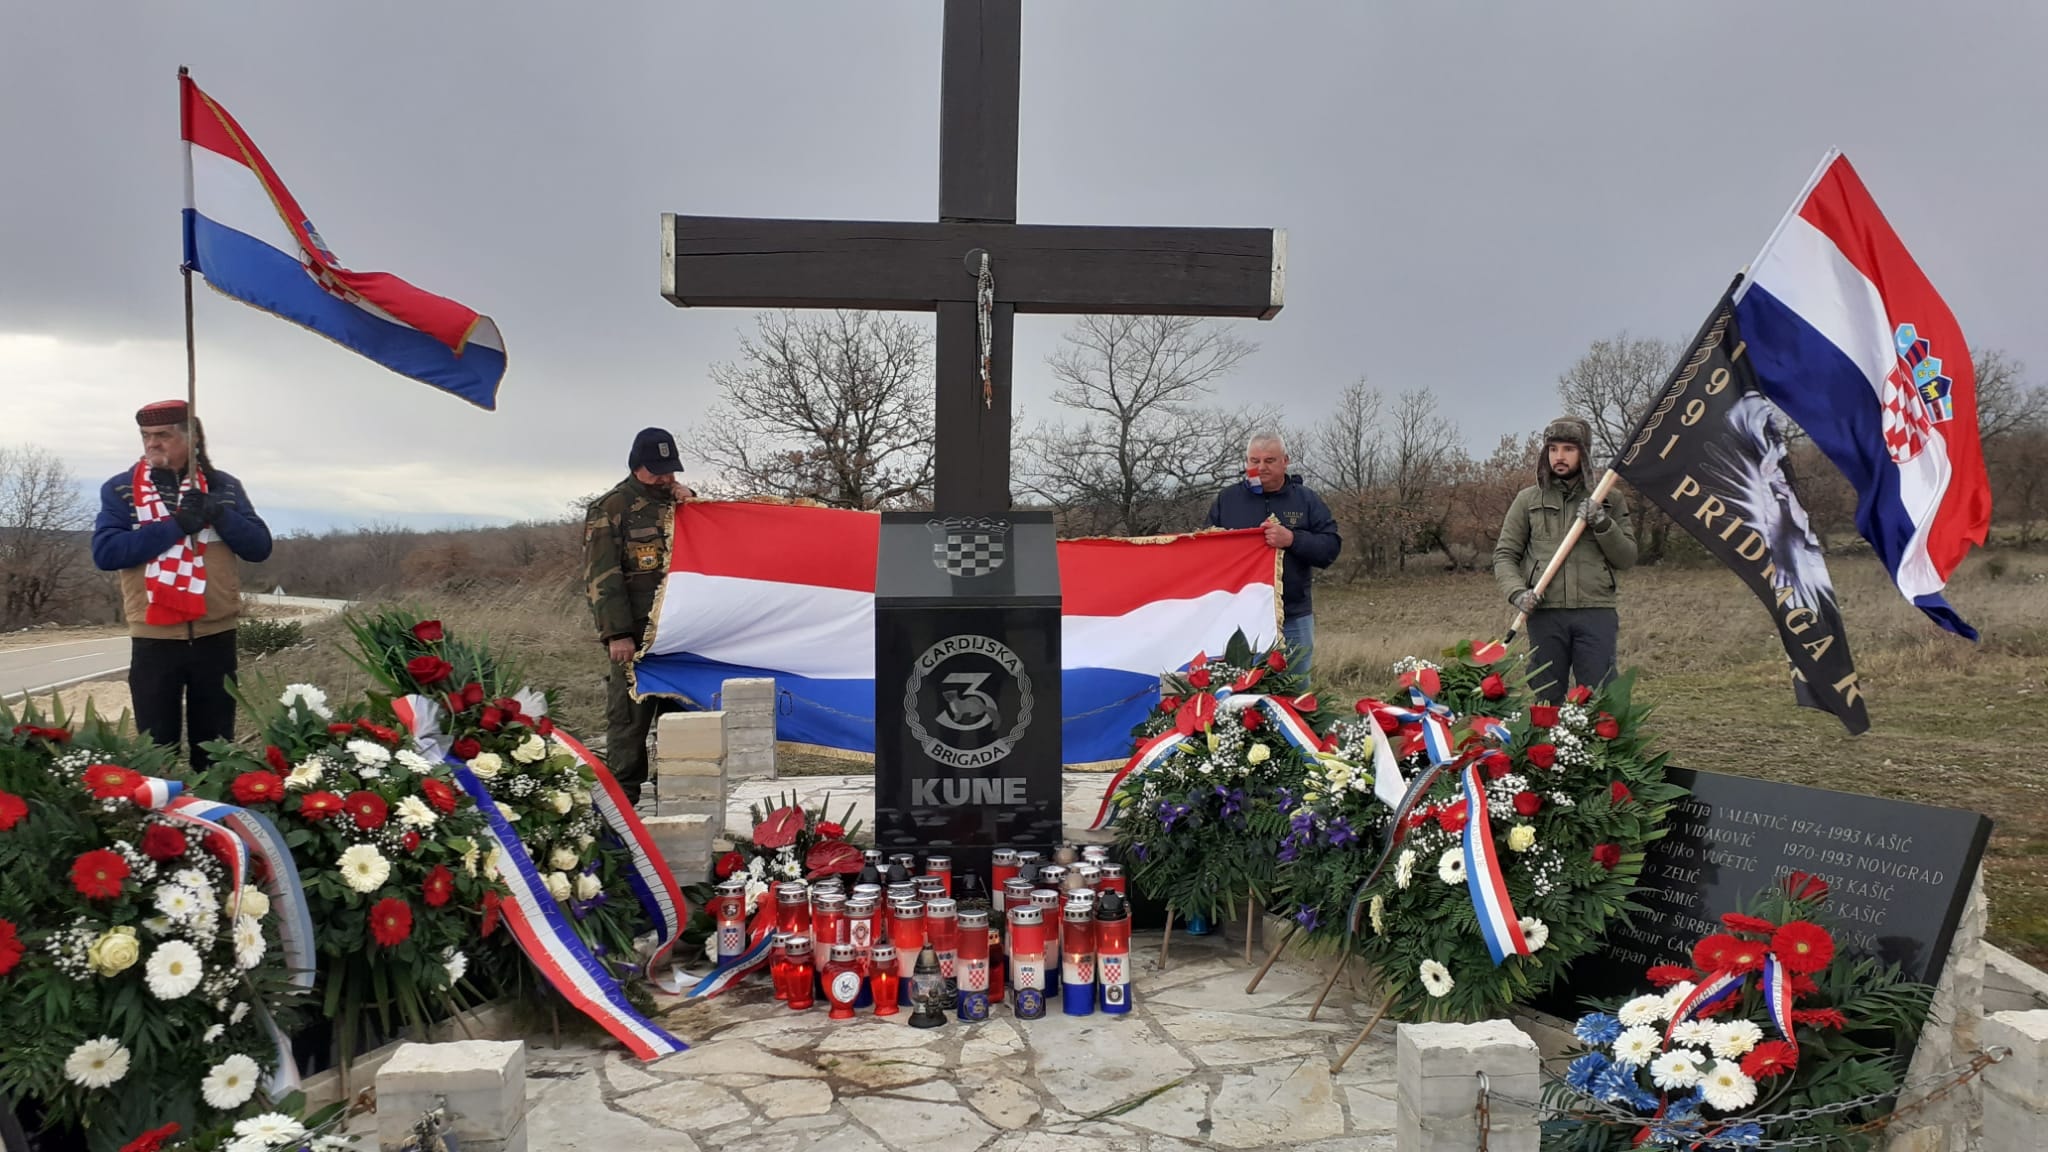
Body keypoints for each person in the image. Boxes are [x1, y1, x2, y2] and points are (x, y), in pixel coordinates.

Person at [90, 399, 272, 769]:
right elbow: (107, 553)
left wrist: (218, 513)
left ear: (191, 439)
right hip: (155, 638)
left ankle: (213, 819)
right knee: (157, 753)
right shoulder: (121, 490)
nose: (152, 444)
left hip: (215, 636)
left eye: (163, 435)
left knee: (216, 750)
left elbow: (259, 547)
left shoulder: (224, 487)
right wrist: (175, 526)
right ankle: (162, 823)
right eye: (145, 436)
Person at [584, 427, 695, 805]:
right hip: (635, 634)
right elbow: (603, 577)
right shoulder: (611, 508)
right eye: (657, 471)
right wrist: (616, 634)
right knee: (629, 721)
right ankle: (624, 800)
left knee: (680, 716)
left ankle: (679, 792)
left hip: (678, 633)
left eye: (671, 470)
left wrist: (692, 501)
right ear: (637, 467)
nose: (666, 477)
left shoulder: (678, 503)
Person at [1493, 415, 1637, 704]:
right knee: (1546, 698)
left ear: (1583, 454)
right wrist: (1518, 593)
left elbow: (1627, 558)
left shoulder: (1610, 499)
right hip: (1545, 613)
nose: (1559, 456)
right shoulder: (1528, 500)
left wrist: (1602, 522)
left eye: (1568, 449)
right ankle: (1545, 749)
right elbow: (1505, 555)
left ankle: (1599, 749)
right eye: (1553, 448)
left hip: (1596, 611)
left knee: (1599, 698)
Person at [1205, 431, 1342, 673]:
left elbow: (1330, 548)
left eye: (1269, 461)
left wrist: (1292, 539)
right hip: (1239, 619)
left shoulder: (1306, 500)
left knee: (1293, 692)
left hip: (1292, 617)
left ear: (1285, 461)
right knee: (1241, 696)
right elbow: (1206, 553)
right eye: (1254, 461)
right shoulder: (1227, 500)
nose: (1261, 467)